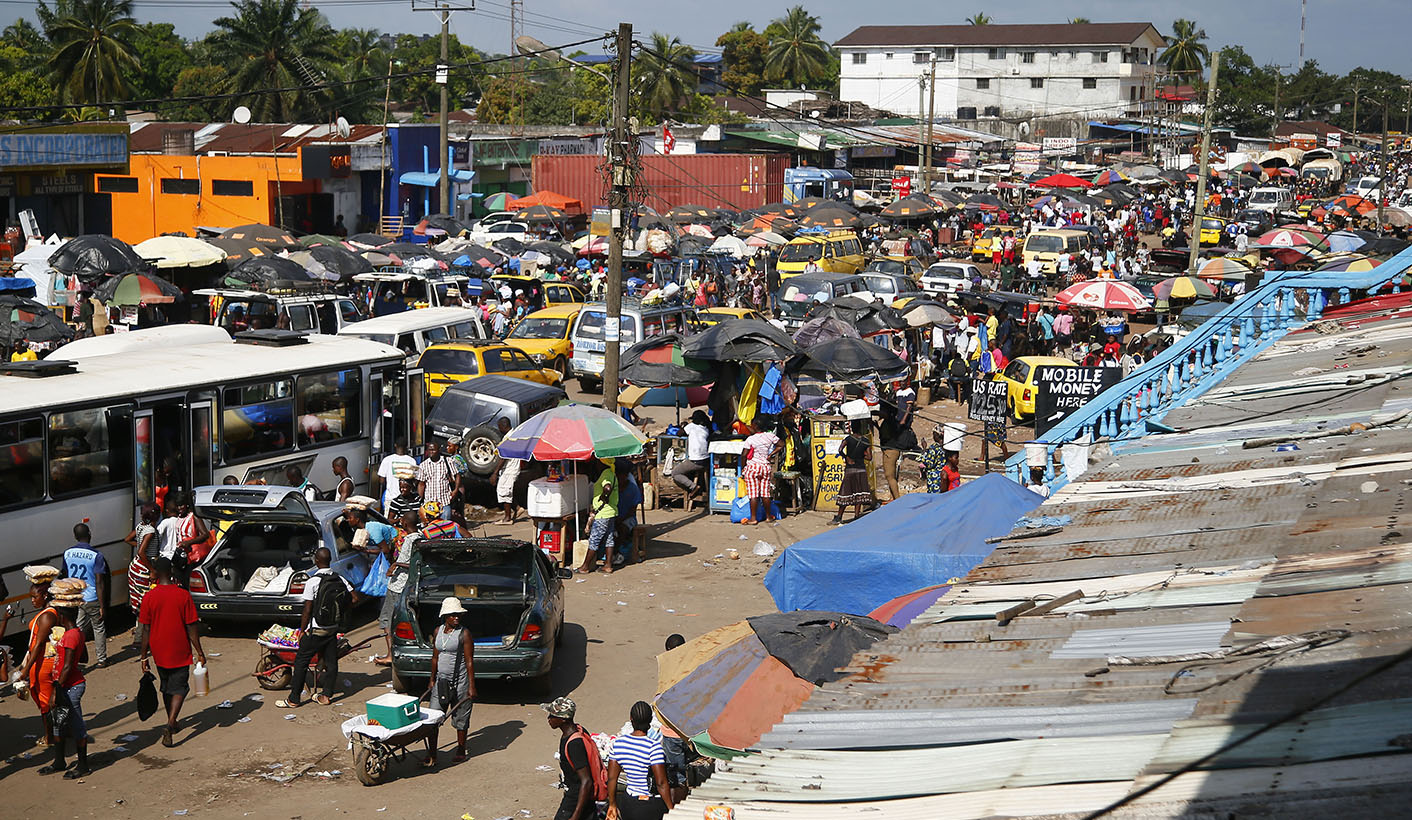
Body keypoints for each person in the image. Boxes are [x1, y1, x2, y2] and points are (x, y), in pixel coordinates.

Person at [138, 557, 205, 747]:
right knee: (180, 688)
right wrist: (199, 651)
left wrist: (143, 657)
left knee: (167, 687)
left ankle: (172, 722)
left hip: (159, 650)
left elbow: (145, 629)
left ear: (156, 573)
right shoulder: (183, 595)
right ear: (172, 571)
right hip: (179, 648)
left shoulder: (149, 597)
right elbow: (191, 626)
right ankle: (170, 723)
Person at [278, 547, 351, 708]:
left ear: (316, 561)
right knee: (331, 663)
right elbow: (354, 597)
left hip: (316, 629)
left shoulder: (313, 581)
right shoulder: (339, 578)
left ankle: (294, 699)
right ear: (329, 560)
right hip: (332, 628)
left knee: (301, 662)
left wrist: (302, 630)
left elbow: (307, 609)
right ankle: (326, 696)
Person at [424, 597, 476, 767]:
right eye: (453, 615)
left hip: (460, 681)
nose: (456, 618)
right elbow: (435, 658)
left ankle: (461, 749)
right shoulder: (438, 631)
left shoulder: (464, 634)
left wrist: (471, 686)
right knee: (433, 718)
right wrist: (431, 679)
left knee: (461, 717)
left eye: (458, 615)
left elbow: (469, 661)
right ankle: (432, 753)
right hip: (441, 681)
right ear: (445, 616)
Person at [41, 598, 88, 777]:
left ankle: (83, 766)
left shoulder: (70, 636)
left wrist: (56, 690)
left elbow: (67, 667)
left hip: (69, 687)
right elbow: (84, 658)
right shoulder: (76, 633)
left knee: (76, 725)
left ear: (62, 616)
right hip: (66, 685)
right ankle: (59, 762)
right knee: (58, 724)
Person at [14, 565, 60, 744]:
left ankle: (50, 737)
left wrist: (26, 670)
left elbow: (39, 645)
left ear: (45, 595)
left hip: (42, 664)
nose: (32, 601)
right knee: (44, 702)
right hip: (38, 662)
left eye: (35, 597)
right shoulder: (46, 613)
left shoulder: (48, 616)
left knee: (45, 703)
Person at [606, 701, 675, 820]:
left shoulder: (618, 743)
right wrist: (671, 809)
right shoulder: (653, 747)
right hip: (649, 806)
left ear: (631, 719)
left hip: (628, 803)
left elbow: (612, 778)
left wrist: (612, 804)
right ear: (650, 720)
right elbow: (661, 783)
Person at [61, 523, 108, 668]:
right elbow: (99, 582)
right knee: (98, 628)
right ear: (89, 534)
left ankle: (74, 659)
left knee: (77, 629)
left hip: (75, 597)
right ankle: (101, 659)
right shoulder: (96, 555)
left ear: (75, 536)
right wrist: (102, 606)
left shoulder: (67, 553)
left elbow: (65, 575)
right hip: (92, 598)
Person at [125, 503, 161, 641]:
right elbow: (141, 552)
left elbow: (128, 539)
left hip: (135, 567)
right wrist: (152, 570)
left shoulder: (141, 526)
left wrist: (140, 545)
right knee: (146, 605)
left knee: (140, 602)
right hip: (143, 569)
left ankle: (141, 635)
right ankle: (141, 638)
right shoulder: (150, 531)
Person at [579, 458, 619, 574]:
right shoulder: (612, 473)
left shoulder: (606, 474)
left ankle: (585, 566)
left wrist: (604, 496)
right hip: (611, 512)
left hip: (603, 514)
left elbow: (607, 487)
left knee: (594, 540)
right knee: (609, 539)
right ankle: (608, 565)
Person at [832, 419, 875, 524]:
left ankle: (839, 517)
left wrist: (847, 457)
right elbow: (869, 457)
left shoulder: (848, 439)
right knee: (859, 493)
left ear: (851, 428)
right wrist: (862, 455)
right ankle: (856, 516)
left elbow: (840, 450)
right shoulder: (865, 440)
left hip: (850, 470)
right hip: (861, 469)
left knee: (845, 493)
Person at [741, 420, 780, 526]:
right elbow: (781, 444)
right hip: (765, 467)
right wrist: (771, 454)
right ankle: (768, 516)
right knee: (765, 493)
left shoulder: (750, 439)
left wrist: (743, 468)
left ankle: (753, 519)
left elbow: (744, 455)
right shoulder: (770, 436)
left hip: (752, 468)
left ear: (756, 426)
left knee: (753, 494)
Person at [671, 410, 711, 508]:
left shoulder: (691, 426)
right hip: (706, 460)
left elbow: (679, 433)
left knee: (675, 473)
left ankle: (693, 486)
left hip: (696, 461)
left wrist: (683, 426)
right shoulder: (706, 429)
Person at [375, 438, 418, 512]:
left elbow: (382, 480)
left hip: (390, 498)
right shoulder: (411, 461)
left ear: (395, 445)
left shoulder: (387, 460)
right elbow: (415, 480)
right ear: (406, 446)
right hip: (406, 499)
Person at [492, 419, 522, 524]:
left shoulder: (509, 438)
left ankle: (507, 518)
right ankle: (518, 508)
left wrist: (495, 473)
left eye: (499, 426)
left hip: (510, 469)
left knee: (504, 491)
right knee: (506, 490)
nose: (499, 429)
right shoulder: (514, 435)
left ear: (503, 426)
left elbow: (504, 456)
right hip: (512, 467)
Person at [615, 459, 643, 565]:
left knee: (622, 529)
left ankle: (616, 552)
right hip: (615, 516)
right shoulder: (614, 487)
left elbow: (632, 510)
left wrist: (621, 519)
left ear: (626, 475)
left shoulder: (632, 489)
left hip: (628, 518)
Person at [417, 440, 456, 512]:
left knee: (446, 519)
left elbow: (457, 475)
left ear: (438, 450)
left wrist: (455, 490)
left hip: (444, 502)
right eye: (429, 450)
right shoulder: (423, 465)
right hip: (430, 503)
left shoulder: (448, 461)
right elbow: (421, 484)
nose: (431, 452)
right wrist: (420, 499)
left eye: (433, 450)